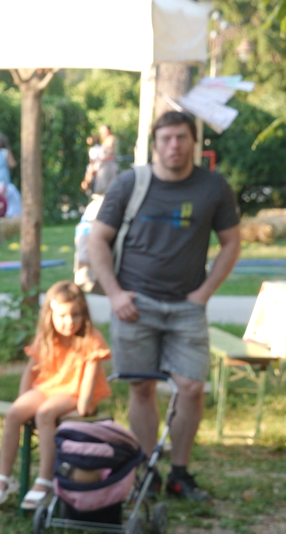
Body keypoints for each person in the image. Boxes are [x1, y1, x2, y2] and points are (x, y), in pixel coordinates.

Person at [85, 109, 241, 502]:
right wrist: (115, 293)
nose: (174, 145)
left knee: (190, 387)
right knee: (141, 387)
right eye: (166, 138)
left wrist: (204, 293)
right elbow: (97, 240)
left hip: (187, 306)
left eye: (181, 138)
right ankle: (145, 470)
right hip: (134, 305)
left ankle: (180, 474)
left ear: (194, 142)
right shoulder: (129, 184)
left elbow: (232, 243)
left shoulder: (213, 187)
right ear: (154, 144)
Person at [0, 281, 112, 509]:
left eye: (76, 315)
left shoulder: (91, 339)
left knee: (45, 413)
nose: (69, 321)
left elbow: (90, 380)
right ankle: (3, 478)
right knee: (14, 413)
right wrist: (23, 401)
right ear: (50, 314)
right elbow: (31, 370)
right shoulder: (46, 337)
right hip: (47, 387)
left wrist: (82, 409)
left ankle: (44, 481)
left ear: (84, 315)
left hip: (74, 391)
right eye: (62, 315)